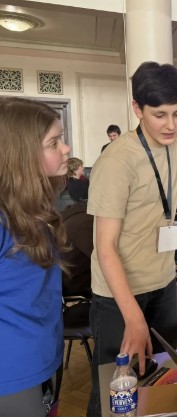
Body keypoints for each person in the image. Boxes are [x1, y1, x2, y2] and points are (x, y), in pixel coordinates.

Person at [86, 62, 177, 416]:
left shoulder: (172, 145)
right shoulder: (117, 161)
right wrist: (133, 316)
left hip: (162, 282)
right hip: (120, 295)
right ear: (137, 109)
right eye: (160, 115)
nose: (171, 124)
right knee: (113, 392)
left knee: (158, 384)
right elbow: (105, 247)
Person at [0, 97, 71, 415]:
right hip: (11, 374)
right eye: (54, 143)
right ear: (22, 155)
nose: (66, 149)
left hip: (44, 355)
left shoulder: (34, 209)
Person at [60, 201, 93, 298]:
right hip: (71, 285)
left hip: (62, 281)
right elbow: (105, 261)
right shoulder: (85, 222)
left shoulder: (72, 215)